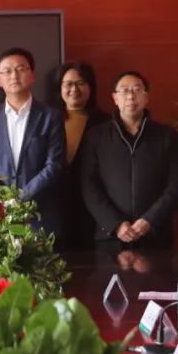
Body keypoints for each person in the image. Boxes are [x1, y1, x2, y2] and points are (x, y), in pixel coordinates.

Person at [80, 70, 178, 249]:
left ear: (146, 97)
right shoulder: (96, 137)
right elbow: (89, 186)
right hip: (110, 236)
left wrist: (149, 220)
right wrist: (116, 224)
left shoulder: (167, 136)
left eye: (137, 90)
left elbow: (176, 186)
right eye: (124, 90)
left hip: (156, 234)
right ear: (115, 98)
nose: (130, 96)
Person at [0, 47, 66, 239]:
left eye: (20, 69)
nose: (14, 76)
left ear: (32, 75)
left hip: (41, 214)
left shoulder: (51, 116)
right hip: (0, 216)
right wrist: (3, 198)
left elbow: (54, 164)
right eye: (7, 71)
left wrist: (22, 198)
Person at [57, 61, 109, 249]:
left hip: (92, 210)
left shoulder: (106, 123)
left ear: (91, 87)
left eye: (80, 83)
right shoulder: (46, 119)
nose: (74, 89)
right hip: (55, 208)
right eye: (68, 84)